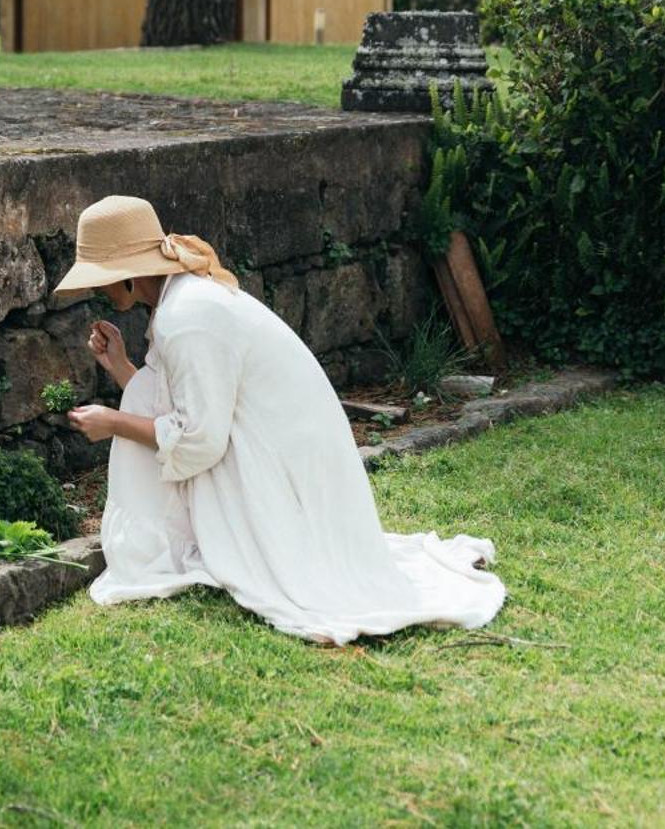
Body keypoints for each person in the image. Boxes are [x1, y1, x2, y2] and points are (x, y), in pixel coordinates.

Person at [59, 194, 505, 644]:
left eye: (101, 280)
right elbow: (168, 402)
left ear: (130, 275)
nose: (98, 291)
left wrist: (113, 423)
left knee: (302, 578)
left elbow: (198, 438)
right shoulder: (181, 303)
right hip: (275, 443)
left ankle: (166, 546)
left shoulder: (188, 316)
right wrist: (119, 366)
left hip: (283, 456)